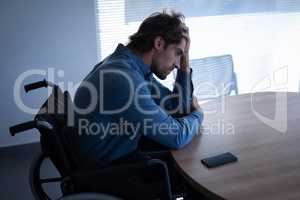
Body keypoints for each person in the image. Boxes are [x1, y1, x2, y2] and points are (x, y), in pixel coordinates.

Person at [67, 11, 204, 199]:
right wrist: (198, 115)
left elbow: (178, 106)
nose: (176, 63)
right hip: (110, 170)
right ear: (158, 43)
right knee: (196, 175)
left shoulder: (131, 67)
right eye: (177, 53)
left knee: (192, 162)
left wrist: (184, 60)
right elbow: (176, 136)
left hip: (119, 151)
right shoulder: (124, 79)